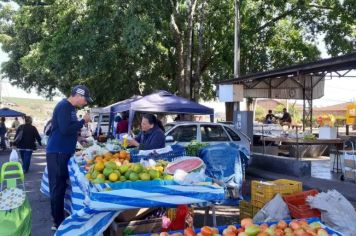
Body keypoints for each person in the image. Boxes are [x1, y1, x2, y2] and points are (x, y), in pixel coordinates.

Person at [46, 85, 92, 231]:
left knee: (61, 186)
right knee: (58, 188)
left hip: (63, 151)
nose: (85, 103)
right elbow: (65, 129)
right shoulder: (64, 106)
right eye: (85, 99)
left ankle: (60, 217)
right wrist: (83, 121)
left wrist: (78, 138)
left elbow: (66, 128)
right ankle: (58, 222)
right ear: (78, 95)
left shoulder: (71, 109)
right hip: (58, 152)